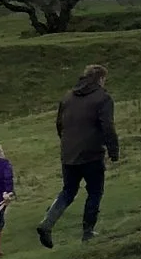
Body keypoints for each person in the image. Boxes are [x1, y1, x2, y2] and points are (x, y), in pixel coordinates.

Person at [35, 63, 119, 247]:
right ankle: (88, 232)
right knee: (95, 191)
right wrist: (113, 150)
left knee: (68, 190)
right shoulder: (103, 98)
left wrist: (67, 143)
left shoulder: (68, 97)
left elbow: (59, 124)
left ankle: (47, 223)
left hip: (68, 153)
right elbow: (107, 126)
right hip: (91, 153)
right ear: (101, 79)